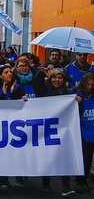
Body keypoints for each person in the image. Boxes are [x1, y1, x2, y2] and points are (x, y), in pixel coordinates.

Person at [33, 68, 76, 196]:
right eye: (54, 77)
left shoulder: (68, 94)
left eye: (60, 78)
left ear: (64, 80)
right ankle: (46, 183)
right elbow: (36, 85)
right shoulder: (45, 90)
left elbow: (76, 113)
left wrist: (78, 104)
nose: (57, 80)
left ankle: (66, 187)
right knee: (48, 157)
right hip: (47, 130)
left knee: (64, 157)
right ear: (50, 78)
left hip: (62, 131)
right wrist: (41, 72)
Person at [0, 64, 27, 194]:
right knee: (3, 154)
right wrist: (4, 95)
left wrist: (16, 95)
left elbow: (20, 106)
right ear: (0, 75)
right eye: (6, 72)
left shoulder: (18, 87)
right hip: (0, 126)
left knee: (16, 153)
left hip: (16, 126)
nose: (9, 74)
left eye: (10, 71)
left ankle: (18, 178)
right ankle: (2, 181)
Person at [74, 73, 94, 194]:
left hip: (92, 132)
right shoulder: (76, 95)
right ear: (83, 84)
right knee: (81, 158)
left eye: (92, 85)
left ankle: (84, 181)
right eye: (88, 84)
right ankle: (78, 181)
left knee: (88, 159)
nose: (90, 87)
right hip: (81, 132)